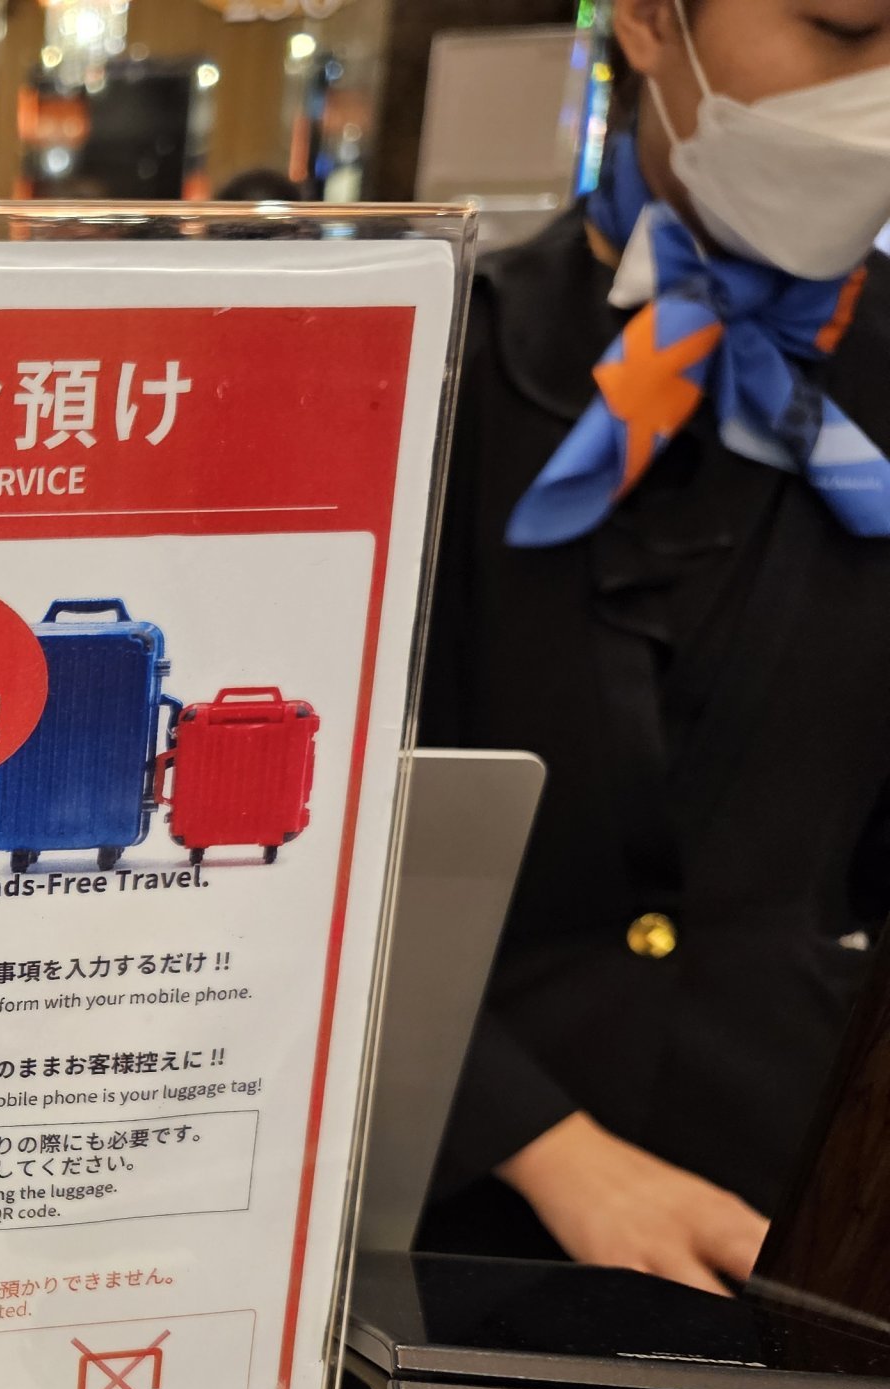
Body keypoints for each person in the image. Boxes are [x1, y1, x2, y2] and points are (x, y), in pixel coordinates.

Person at [418, 0, 890, 1293]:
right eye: (844, 30)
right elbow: (321, 850)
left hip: (792, 1231)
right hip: (445, 1223)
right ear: (645, 20)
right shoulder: (434, 368)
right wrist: (547, 1148)